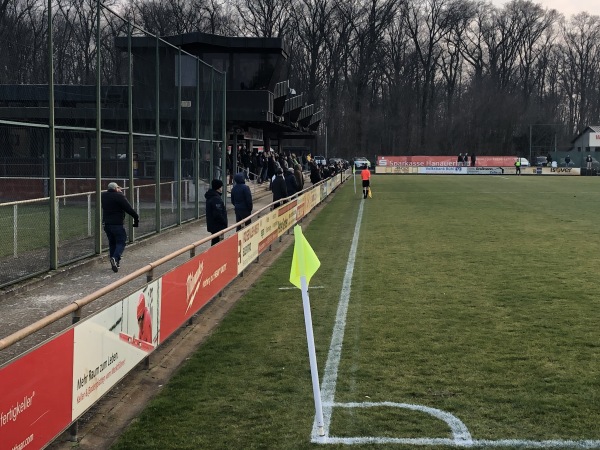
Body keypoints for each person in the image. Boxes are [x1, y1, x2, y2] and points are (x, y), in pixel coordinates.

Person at [101, 181, 139, 273]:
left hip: (107, 224)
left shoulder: (104, 195)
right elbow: (128, 208)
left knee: (112, 242)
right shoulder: (119, 196)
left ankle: (115, 262)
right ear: (115, 189)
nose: (120, 189)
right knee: (121, 241)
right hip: (117, 224)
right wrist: (136, 217)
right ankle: (115, 257)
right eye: (118, 188)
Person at [205, 179, 228, 246]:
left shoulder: (211, 196)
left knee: (215, 240)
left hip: (213, 224)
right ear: (219, 187)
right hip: (217, 225)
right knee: (217, 242)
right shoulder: (216, 199)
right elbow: (218, 213)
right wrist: (224, 221)